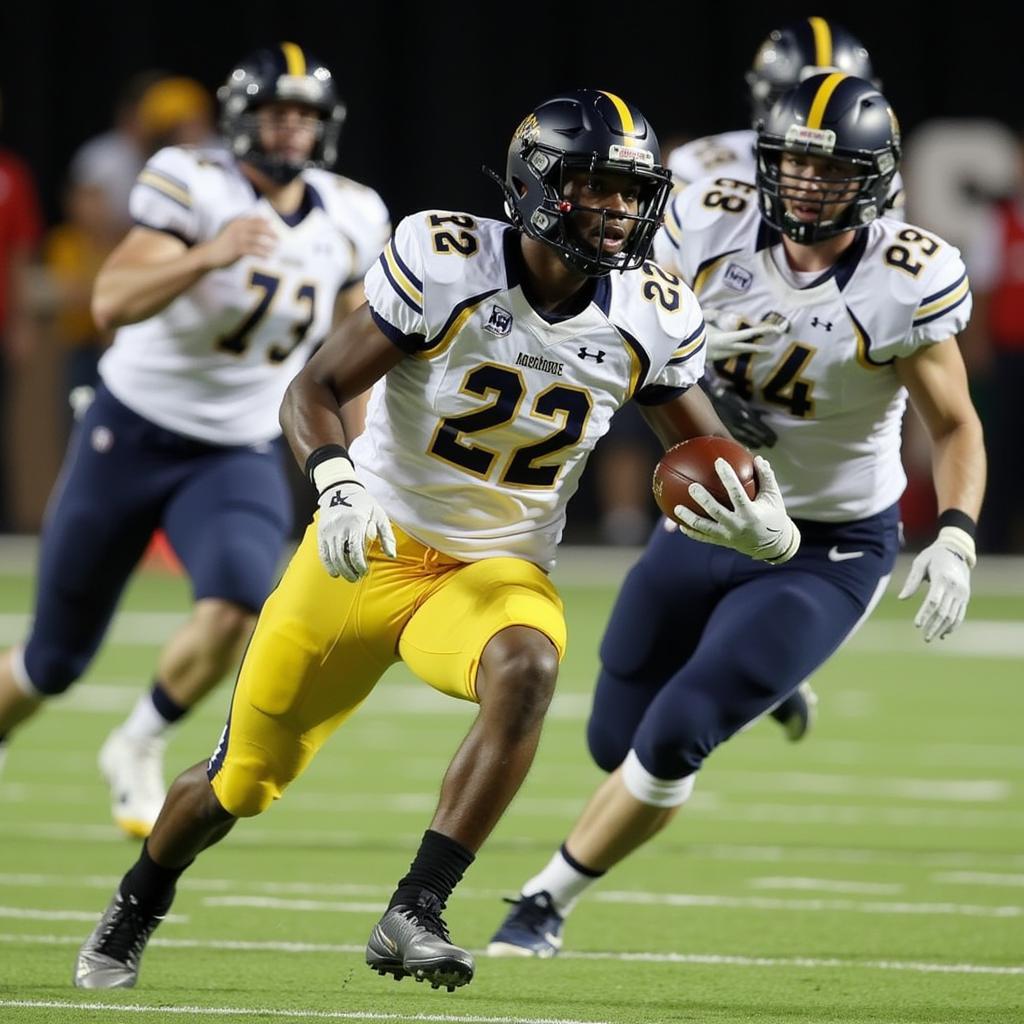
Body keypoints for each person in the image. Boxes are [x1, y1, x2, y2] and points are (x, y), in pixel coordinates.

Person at [72, 88, 801, 994]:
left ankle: (416, 907)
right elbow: (314, 388)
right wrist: (335, 481)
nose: (618, 211)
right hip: (369, 542)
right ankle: (140, 897)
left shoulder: (652, 309)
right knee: (239, 783)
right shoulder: (448, 258)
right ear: (539, 186)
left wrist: (766, 523)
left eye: (631, 192)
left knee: (528, 666)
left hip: (495, 567)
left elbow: (700, 448)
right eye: (597, 187)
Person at [487, 74, 986, 958]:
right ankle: (772, 676)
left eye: (829, 173)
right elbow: (645, 324)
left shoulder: (902, 277)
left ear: (874, 181)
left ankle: (545, 899)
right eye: (791, 163)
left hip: (826, 541)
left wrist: (954, 532)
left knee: (680, 732)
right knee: (616, 741)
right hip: (714, 517)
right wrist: (705, 391)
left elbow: (954, 424)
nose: (804, 185)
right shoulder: (706, 220)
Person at [0, 43, 390, 836]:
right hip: (131, 429)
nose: (291, 131)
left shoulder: (353, 211)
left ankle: (137, 740)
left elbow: (357, 350)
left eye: (306, 117)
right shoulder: (191, 181)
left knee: (239, 605)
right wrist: (209, 253)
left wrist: (369, 462)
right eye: (277, 114)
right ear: (243, 119)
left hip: (237, 444)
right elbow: (110, 300)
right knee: (53, 660)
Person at [668, 16, 902, 740]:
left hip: (793, 387)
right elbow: (645, 289)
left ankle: (763, 666)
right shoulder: (705, 167)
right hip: (697, 360)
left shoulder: (870, 184)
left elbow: (869, 291)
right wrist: (701, 363)